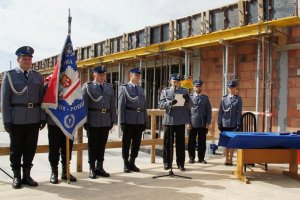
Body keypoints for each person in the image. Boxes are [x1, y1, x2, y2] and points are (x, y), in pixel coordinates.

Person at [1, 46, 46, 189]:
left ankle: (27, 176)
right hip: (17, 118)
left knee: (30, 148)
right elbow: (4, 100)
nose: (27, 61)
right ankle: (16, 176)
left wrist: (42, 117)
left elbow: (41, 99)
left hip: (33, 118)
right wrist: (6, 120)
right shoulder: (10, 75)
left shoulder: (37, 76)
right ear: (18, 59)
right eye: (24, 58)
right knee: (16, 149)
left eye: (29, 59)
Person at [82, 66, 117, 179]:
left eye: (104, 74)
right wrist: (85, 121)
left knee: (102, 145)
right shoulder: (88, 87)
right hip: (93, 120)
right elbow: (85, 105)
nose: (102, 76)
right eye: (100, 74)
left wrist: (113, 120)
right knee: (92, 145)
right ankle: (92, 168)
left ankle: (100, 167)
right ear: (94, 75)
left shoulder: (109, 87)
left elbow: (112, 104)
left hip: (105, 120)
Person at [44, 74, 77, 184]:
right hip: (54, 121)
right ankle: (54, 172)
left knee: (68, 148)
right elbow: (44, 102)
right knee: (54, 148)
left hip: (68, 121)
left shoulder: (72, 82)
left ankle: (65, 171)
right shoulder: (50, 82)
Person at [159, 74, 192, 171]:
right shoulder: (165, 91)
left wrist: (187, 99)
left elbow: (190, 106)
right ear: (170, 82)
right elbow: (161, 104)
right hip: (169, 120)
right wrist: (170, 103)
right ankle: (167, 163)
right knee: (167, 143)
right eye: (174, 82)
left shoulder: (184, 91)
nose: (176, 84)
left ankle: (180, 163)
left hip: (180, 120)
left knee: (180, 144)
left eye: (177, 82)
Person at [118, 67, 147, 173]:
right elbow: (121, 106)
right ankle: (125, 162)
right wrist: (122, 121)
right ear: (131, 75)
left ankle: (132, 161)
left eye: (139, 75)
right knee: (126, 142)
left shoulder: (141, 89)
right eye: (136, 75)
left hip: (139, 120)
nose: (138, 77)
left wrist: (145, 120)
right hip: (129, 119)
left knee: (137, 142)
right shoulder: (124, 88)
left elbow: (144, 106)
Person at [218, 80, 242, 166]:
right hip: (225, 123)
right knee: (226, 142)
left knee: (232, 142)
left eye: (233, 88)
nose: (231, 89)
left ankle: (231, 159)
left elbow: (239, 112)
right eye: (230, 88)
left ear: (235, 88)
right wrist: (219, 123)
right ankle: (226, 159)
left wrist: (239, 124)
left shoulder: (238, 99)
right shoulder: (224, 98)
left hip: (233, 123)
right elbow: (221, 112)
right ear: (228, 88)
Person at [187, 80, 212, 164]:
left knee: (202, 142)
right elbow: (187, 111)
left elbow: (209, 111)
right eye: (196, 86)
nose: (198, 88)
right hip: (192, 123)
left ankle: (201, 158)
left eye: (200, 86)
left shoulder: (205, 98)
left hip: (202, 123)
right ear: (194, 87)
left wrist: (208, 123)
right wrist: (187, 123)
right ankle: (191, 158)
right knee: (191, 142)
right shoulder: (189, 97)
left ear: (201, 87)